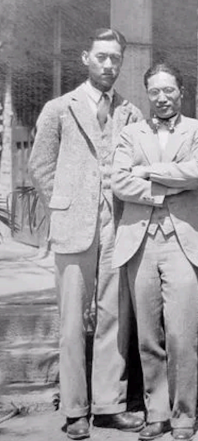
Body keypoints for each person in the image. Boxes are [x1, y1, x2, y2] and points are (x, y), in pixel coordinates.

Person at [29, 28, 145, 440]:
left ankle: (110, 405)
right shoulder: (59, 108)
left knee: (115, 316)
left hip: (117, 226)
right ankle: (75, 409)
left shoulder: (130, 112)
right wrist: (63, 205)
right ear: (85, 58)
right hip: (74, 226)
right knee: (72, 321)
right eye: (101, 57)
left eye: (116, 58)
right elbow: (40, 166)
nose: (109, 65)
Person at [111, 63, 198, 441]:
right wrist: (164, 188)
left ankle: (183, 416)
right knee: (148, 335)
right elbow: (120, 182)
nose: (162, 98)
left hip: (183, 242)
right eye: (154, 91)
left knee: (182, 335)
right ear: (147, 94)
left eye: (169, 90)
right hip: (140, 242)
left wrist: (147, 171)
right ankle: (156, 412)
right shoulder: (130, 133)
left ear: (181, 91)